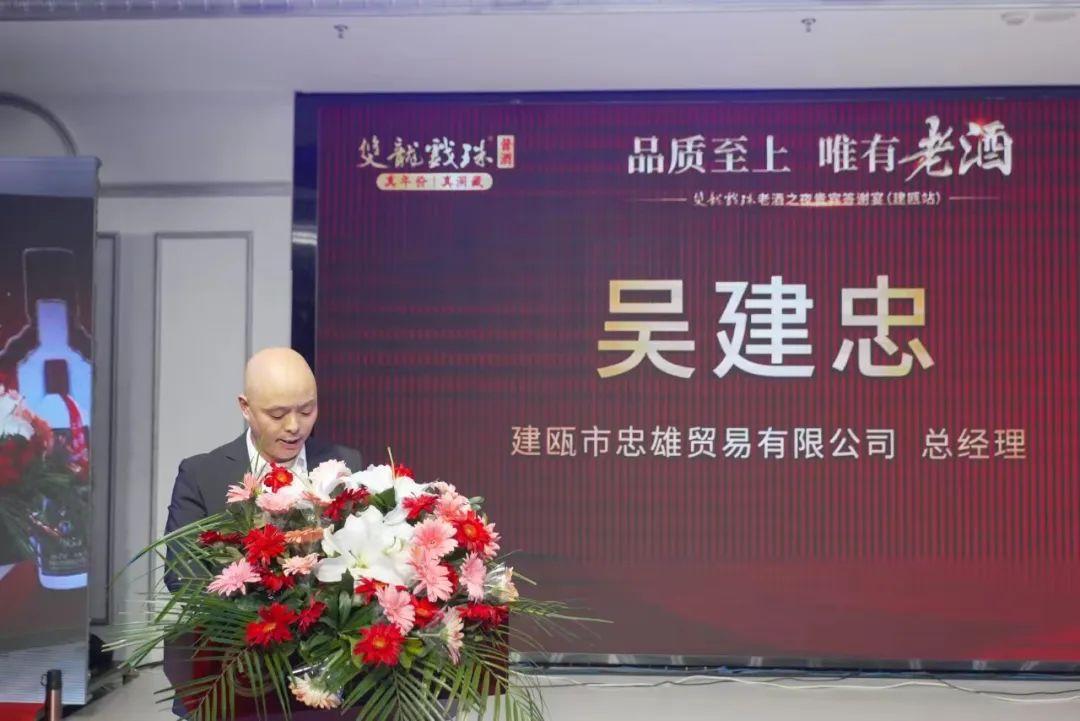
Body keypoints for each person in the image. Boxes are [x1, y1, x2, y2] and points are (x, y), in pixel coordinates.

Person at [162, 347, 363, 718]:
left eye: (307, 410)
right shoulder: (202, 475)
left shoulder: (345, 464)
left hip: (328, 685)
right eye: (277, 414)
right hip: (232, 679)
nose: (294, 426)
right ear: (245, 407)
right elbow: (183, 577)